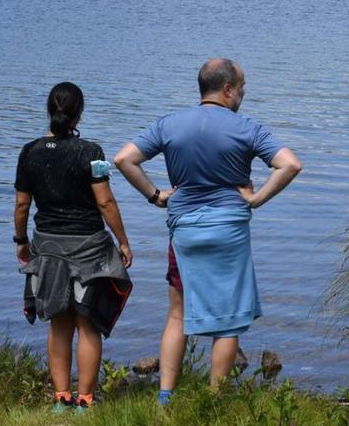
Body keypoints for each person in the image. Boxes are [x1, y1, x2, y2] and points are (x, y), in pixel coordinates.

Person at [114, 58, 302, 400]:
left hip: (184, 230)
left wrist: (156, 196)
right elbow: (290, 164)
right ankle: (215, 399)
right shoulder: (246, 128)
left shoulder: (169, 124)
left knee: (177, 315)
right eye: (242, 88)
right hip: (228, 231)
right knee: (228, 322)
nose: (243, 94)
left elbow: (124, 159)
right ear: (227, 89)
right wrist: (256, 199)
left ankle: (165, 398)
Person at [13, 82, 135, 413]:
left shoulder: (30, 152)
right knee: (88, 323)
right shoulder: (92, 152)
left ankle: (60, 398)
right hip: (89, 250)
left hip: (48, 247)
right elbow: (106, 202)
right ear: (79, 113)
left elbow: (22, 205)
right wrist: (123, 240)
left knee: (59, 322)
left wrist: (22, 242)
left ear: (49, 110)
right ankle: (85, 400)